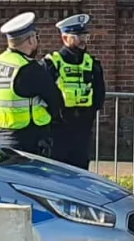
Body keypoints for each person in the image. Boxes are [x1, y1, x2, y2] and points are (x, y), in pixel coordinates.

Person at [0, 12, 64, 156]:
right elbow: (56, 99)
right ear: (30, 40)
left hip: (0, 137)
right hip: (28, 142)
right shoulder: (28, 68)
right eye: (36, 37)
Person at [44, 13, 106, 170]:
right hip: (58, 131)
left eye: (85, 35)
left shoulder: (92, 64)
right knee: (56, 174)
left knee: (80, 174)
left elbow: (99, 96)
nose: (83, 40)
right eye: (78, 36)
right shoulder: (51, 64)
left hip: (82, 130)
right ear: (65, 38)